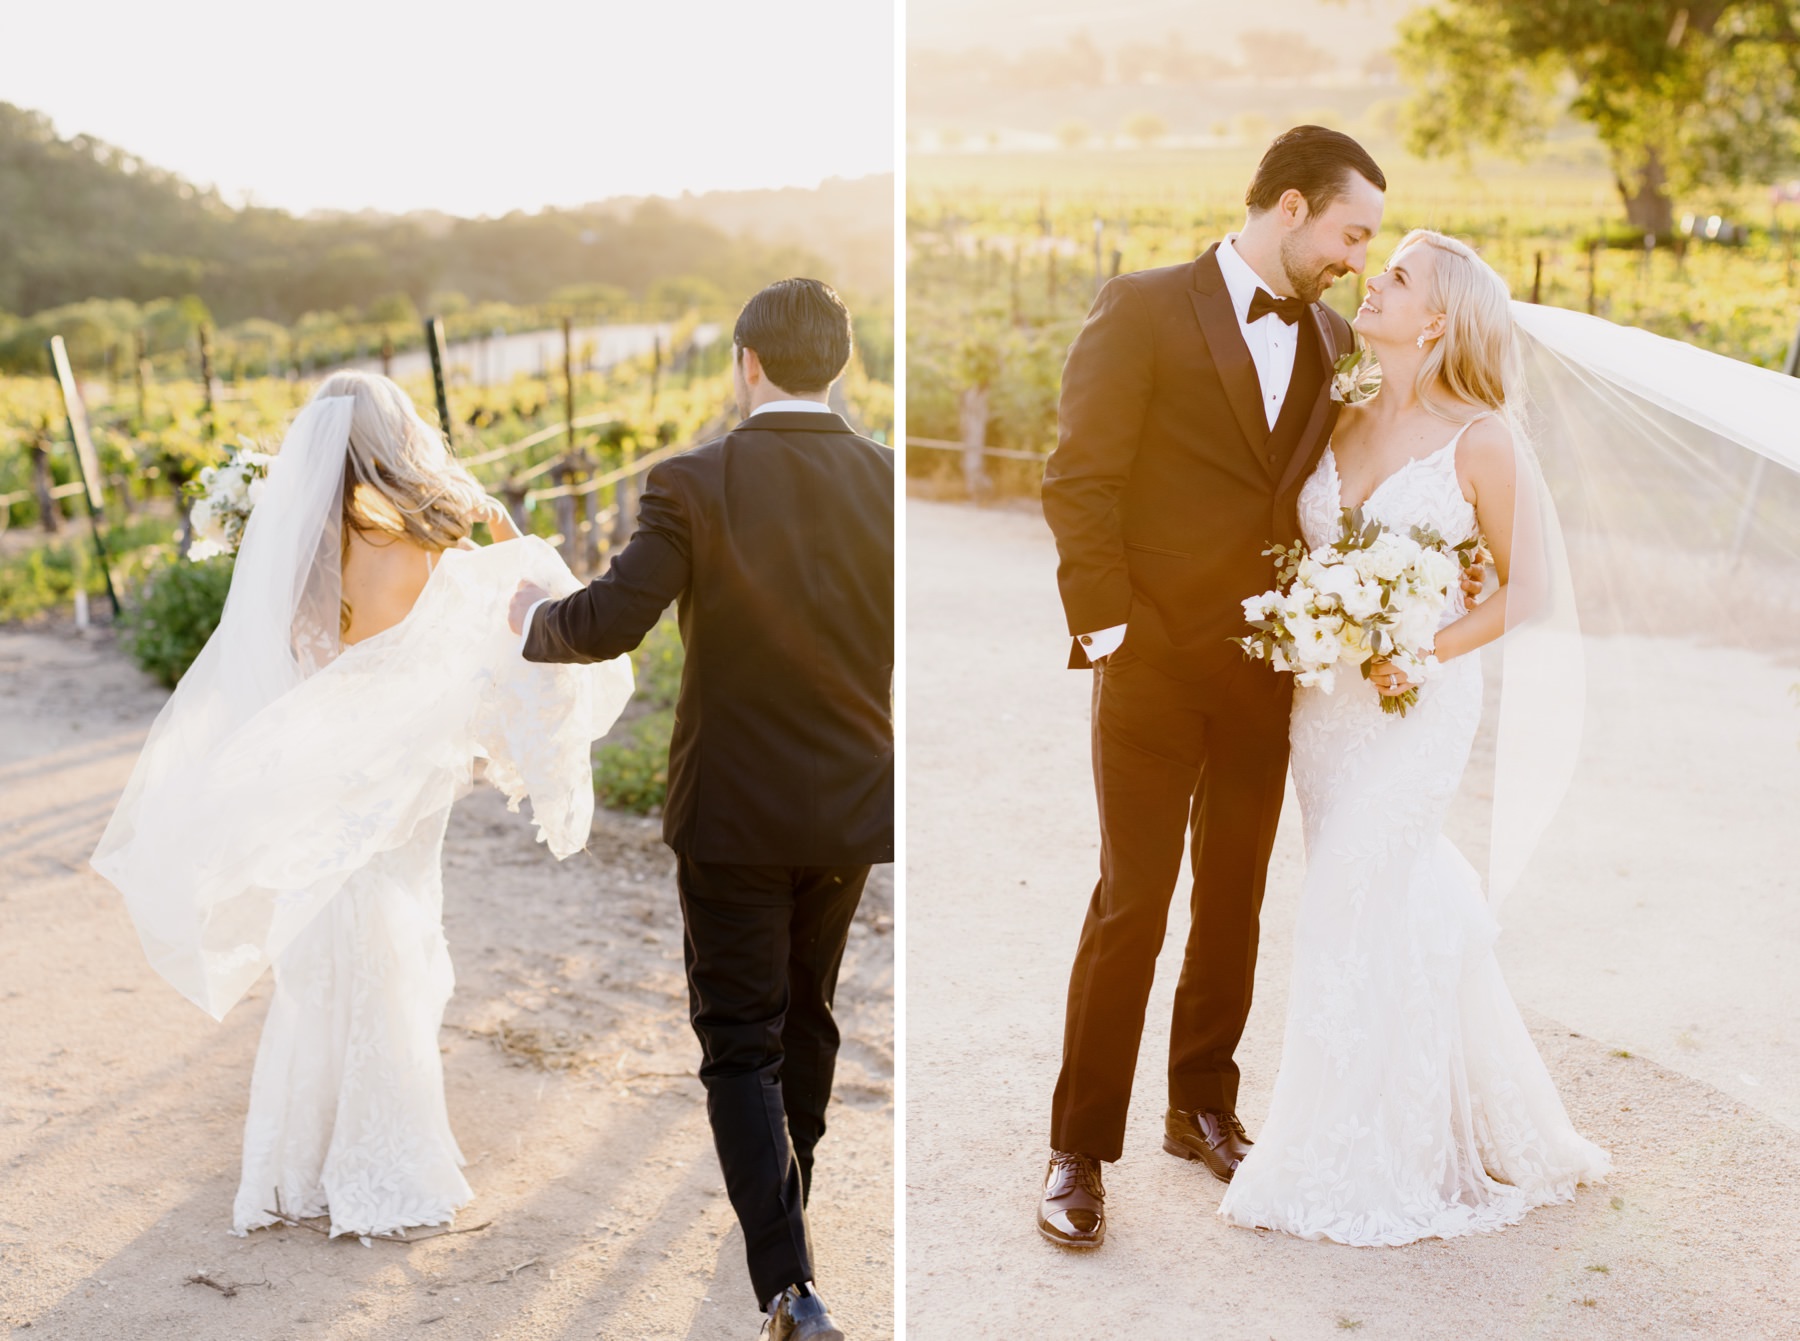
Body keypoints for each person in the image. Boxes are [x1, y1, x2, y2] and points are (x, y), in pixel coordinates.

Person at [93, 371, 633, 1239]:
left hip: (315, 775)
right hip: (403, 781)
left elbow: (281, 668)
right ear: (399, 439)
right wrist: (499, 526)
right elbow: (510, 625)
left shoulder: (295, 553)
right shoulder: (441, 542)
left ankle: (295, 1166)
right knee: (397, 944)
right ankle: (385, 1159)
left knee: (319, 964)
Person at [1036, 125, 1419, 1249]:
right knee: (1131, 904)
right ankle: (1078, 1147)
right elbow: (1080, 478)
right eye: (1353, 232)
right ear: (1290, 207)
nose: (1359, 257)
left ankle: (1200, 1105)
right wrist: (1111, 636)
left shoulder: (1339, 337)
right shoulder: (1143, 306)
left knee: (1236, 903)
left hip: (1268, 676)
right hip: (1147, 666)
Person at [509, 278, 893, 1341]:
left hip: (730, 809)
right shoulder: (888, 482)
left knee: (738, 1038)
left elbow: (611, 622)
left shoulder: (693, 481)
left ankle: (788, 1285)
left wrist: (530, 619)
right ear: (839, 367)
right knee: (808, 1012)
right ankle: (787, 1217)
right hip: (853, 803)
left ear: (748, 364)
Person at [1215, 230, 1610, 1243]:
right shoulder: (1338, 405)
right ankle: (1468, 1107)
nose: (1370, 282)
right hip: (1327, 712)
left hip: (1417, 705)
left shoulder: (1482, 439)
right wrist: (1308, 617)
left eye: (1395, 277)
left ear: (1435, 319)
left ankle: (1353, 1154)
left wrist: (1426, 647)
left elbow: (1530, 585)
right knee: (1396, 900)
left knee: (1350, 901)